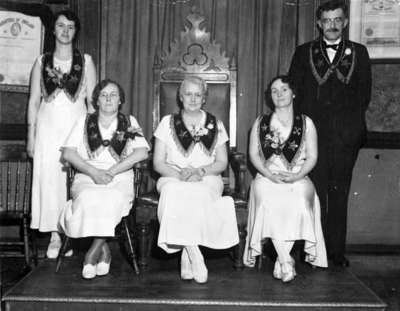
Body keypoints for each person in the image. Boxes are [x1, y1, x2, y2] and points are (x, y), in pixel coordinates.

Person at [288, 0, 371, 267]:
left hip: (346, 138)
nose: (332, 25)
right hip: (314, 137)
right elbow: (295, 95)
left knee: (339, 194)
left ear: (345, 22)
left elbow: (363, 96)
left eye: (337, 20)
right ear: (319, 23)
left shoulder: (360, 51)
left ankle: (335, 253)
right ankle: (313, 251)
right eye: (327, 20)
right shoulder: (304, 52)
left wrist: (348, 130)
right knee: (314, 192)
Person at [59, 79, 149, 279]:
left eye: (113, 94)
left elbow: (142, 153)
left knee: (112, 199)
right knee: (88, 198)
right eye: (103, 95)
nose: (109, 98)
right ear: (97, 101)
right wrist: (94, 172)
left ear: (120, 100)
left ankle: (92, 253)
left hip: (120, 176)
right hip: (87, 176)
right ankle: (105, 250)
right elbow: (69, 154)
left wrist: (112, 171)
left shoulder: (130, 122)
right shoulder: (84, 121)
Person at [153, 76, 239, 284]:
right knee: (173, 193)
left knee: (200, 193)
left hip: (207, 177)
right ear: (180, 97)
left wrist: (200, 172)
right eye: (188, 94)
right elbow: (158, 163)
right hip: (172, 176)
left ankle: (185, 255)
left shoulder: (215, 124)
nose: (192, 99)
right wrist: (180, 175)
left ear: (204, 99)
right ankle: (195, 254)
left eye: (197, 95)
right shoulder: (167, 122)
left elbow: (221, 162)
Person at [243, 75, 327, 283]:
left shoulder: (306, 123)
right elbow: (254, 155)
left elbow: (313, 156)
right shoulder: (260, 123)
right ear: (269, 97)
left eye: (284, 89)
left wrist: (297, 175)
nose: (279, 94)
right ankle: (285, 260)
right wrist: (270, 174)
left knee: (297, 198)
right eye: (274, 91)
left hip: (298, 177)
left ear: (294, 93)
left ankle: (282, 260)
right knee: (269, 199)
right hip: (267, 177)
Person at [28, 10, 97, 259]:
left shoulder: (85, 61)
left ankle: (70, 232)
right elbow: (34, 102)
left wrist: (91, 138)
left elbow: (93, 104)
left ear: (75, 31)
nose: (65, 30)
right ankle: (55, 236)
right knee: (49, 182)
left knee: (73, 182)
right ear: (53, 30)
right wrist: (30, 137)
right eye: (60, 25)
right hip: (47, 131)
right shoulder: (41, 61)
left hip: (75, 130)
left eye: (70, 26)